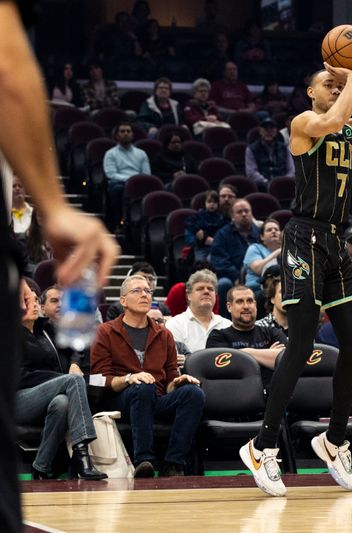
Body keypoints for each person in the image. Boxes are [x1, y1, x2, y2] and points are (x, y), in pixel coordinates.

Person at [238, 29, 352, 497]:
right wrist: (350, 73)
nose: (334, 86)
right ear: (312, 90)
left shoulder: (348, 127)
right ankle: (263, 446)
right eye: (326, 82)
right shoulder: (305, 122)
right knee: (302, 341)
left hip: (334, 240)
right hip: (302, 237)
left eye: (337, 82)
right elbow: (334, 119)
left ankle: (332, 440)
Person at [0, 4, 119, 526]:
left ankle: (60, 461)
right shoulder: (33, 331)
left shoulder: (46, 330)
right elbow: (6, 69)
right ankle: (83, 458)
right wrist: (53, 204)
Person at [91, 275, 205, 478]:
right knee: (142, 386)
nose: (144, 294)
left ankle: (173, 463)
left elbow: (169, 378)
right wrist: (128, 378)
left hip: (156, 398)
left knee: (193, 393)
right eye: (137, 290)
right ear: (123, 300)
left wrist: (177, 383)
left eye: (148, 291)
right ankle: (144, 461)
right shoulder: (105, 332)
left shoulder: (164, 334)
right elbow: (98, 379)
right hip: (121, 401)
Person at [16, 279, 106, 480]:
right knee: (73, 382)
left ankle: (40, 467)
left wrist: (74, 363)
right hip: (19, 399)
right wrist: (60, 379)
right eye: (26, 301)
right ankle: (82, 457)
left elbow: (75, 347)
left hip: (49, 394)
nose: (34, 306)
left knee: (63, 403)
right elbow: (19, 377)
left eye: (36, 301)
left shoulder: (46, 329)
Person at [206, 284, 287, 389]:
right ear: (229, 307)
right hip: (236, 395)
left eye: (249, 301)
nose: (246, 306)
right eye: (240, 301)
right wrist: (267, 356)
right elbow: (226, 369)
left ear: (255, 304)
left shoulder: (272, 332)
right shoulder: (218, 336)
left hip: (273, 395)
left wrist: (241, 353)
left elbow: (285, 361)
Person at [209, 199, 260, 314]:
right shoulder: (222, 234)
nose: (244, 214)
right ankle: (227, 320)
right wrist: (236, 276)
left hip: (255, 276)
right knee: (223, 284)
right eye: (239, 212)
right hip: (231, 277)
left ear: (251, 213)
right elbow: (219, 260)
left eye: (247, 211)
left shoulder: (259, 233)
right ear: (232, 216)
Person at [165, 269, 231, 354]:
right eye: (200, 289)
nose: (206, 291)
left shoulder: (227, 325)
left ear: (215, 295)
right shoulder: (174, 324)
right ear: (189, 295)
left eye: (210, 289)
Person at [103, 121, 151, 229]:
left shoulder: (141, 153)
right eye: (122, 131)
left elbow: (147, 175)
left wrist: (135, 181)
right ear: (117, 135)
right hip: (119, 183)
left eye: (128, 131)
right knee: (117, 189)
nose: (125, 133)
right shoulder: (110, 154)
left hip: (138, 184)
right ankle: (118, 223)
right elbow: (111, 174)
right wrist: (130, 180)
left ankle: (143, 225)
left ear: (132, 135)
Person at [245, 118, 294, 188]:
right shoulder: (251, 149)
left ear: (276, 131)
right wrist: (267, 183)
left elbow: (292, 170)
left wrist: (284, 181)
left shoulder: (285, 148)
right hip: (262, 187)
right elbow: (251, 173)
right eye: (265, 129)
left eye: (271, 129)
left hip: (284, 185)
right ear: (260, 131)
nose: (268, 131)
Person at [185, 190, 227, 262]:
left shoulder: (221, 216)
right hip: (201, 246)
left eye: (214, 202)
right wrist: (197, 230)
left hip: (217, 246)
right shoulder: (199, 215)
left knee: (212, 261)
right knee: (200, 264)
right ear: (204, 203)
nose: (212, 204)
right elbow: (188, 222)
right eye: (209, 202)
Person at [243, 218, 281, 293]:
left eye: (276, 230)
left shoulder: (286, 251)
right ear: (262, 236)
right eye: (269, 230)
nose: (273, 231)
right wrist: (277, 252)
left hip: (279, 289)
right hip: (256, 290)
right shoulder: (254, 248)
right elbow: (258, 269)